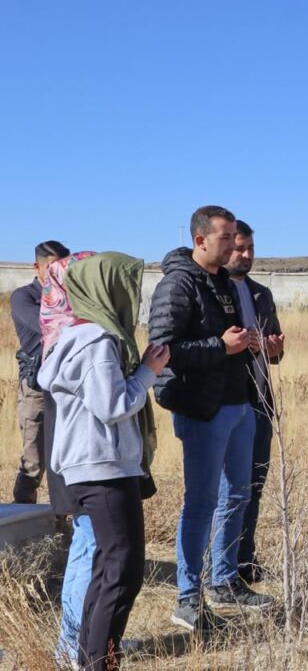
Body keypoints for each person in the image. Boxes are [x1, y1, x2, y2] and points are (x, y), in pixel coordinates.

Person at [37, 252, 170, 670]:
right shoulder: (98, 342)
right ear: (106, 289)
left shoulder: (74, 337)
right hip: (104, 466)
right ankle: (98, 663)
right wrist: (148, 371)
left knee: (108, 567)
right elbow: (113, 405)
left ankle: (89, 659)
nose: (133, 296)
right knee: (123, 571)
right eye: (126, 286)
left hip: (94, 466)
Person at [148, 205, 272, 632]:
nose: (234, 244)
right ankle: (187, 597)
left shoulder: (222, 282)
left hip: (239, 403)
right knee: (201, 502)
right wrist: (222, 347)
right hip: (203, 408)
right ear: (201, 240)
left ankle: (224, 580)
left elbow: (229, 341)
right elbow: (163, 351)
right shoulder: (177, 285)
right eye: (226, 238)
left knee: (237, 493)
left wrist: (248, 343)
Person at [38, 251, 97, 663]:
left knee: (85, 546)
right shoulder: (81, 342)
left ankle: (74, 642)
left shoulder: (58, 337)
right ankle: (74, 646)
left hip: (71, 463)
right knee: (88, 549)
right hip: (86, 463)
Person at [225, 220, 285, 584]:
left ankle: (245, 559)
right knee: (227, 492)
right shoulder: (215, 290)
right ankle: (220, 565)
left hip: (261, 402)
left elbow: (274, 347)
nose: (246, 255)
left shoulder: (261, 293)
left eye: (250, 248)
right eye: (239, 248)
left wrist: (275, 349)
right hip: (228, 404)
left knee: (254, 486)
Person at [11, 240, 70, 503]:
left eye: (64, 267)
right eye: (53, 267)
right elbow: (48, 324)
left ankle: (61, 524)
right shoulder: (23, 296)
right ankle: (22, 525)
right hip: (36, 389)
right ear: (38, 267)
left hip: (65, 389)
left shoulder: (70, 299)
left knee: (65, 462)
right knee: (33, 464)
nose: (59, 273)